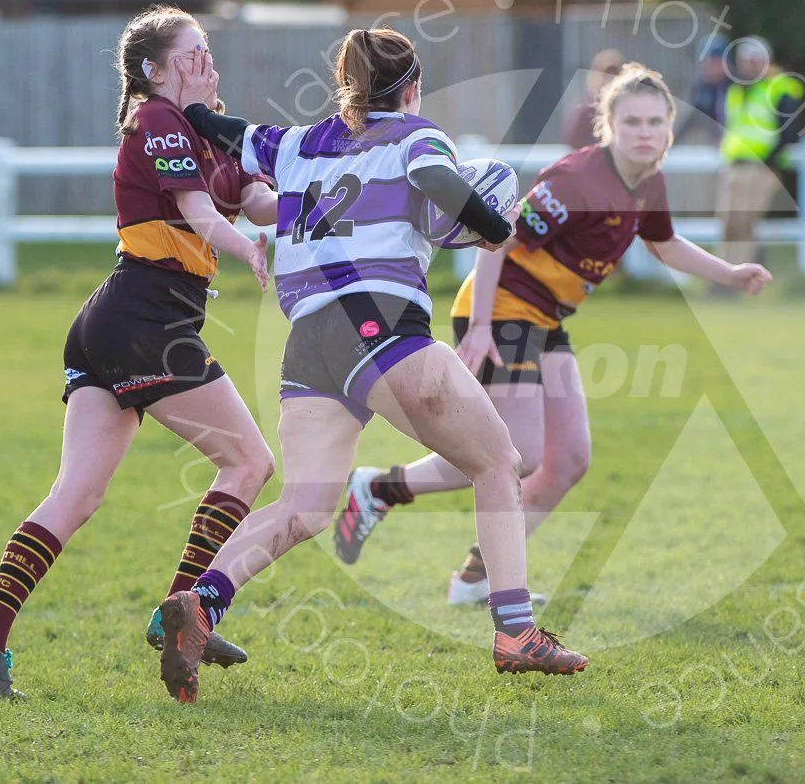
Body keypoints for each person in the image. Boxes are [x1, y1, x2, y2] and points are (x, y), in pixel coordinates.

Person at [154, 27, 589, 703]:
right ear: (412, 87)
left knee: (304, 506)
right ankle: (516, 634)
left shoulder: (295, 143)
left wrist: (183, 105)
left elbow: (226, 130)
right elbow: (441, 184)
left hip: (309, 343)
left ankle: (202, 601)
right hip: (380, 326)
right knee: (499, 463)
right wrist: (496, 223)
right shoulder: (417, 137)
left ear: (345, 83)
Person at [330, 64, 772, 605]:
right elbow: (501, 238)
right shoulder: (576, 181)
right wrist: (483, 327)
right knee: (519, 454)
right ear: (607, 124)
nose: (645, 132)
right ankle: (378, 489)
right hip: (503, 308)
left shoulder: (648, 180)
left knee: (568, 461)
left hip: (544, 317)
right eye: (632, 121)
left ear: (670, 127)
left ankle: (474, 578)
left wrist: (730, 274)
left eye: (655, 122)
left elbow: (664, 243)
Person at [0, 6, 279, 699]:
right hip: (143, 322)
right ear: (154, 73)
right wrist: (247, 247)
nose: (205, 63)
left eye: (207, 51)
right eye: (189, 56)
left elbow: (260, 200)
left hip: (121, 321)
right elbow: (201, 214)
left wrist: (320, 190)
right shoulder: (156, 120)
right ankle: (181, 610)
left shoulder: (212, 131)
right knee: (249, 461)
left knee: (79, 493)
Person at [716, 36, 805, 269]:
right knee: (728, 222)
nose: (751, 65)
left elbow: (789, 132)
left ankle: (740, 275)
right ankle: (722, 274)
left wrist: (771, 161)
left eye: (757, 60)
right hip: (735, 164)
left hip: (762, 167)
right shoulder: (736, 90)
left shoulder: (778, 89)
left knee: (745, 222)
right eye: (747, 60)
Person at [560, 48, 624, 149]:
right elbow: (573, 140)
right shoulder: (587, 112)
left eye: (615, 74)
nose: (610, 79)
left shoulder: (629, 108)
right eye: (606, 74)